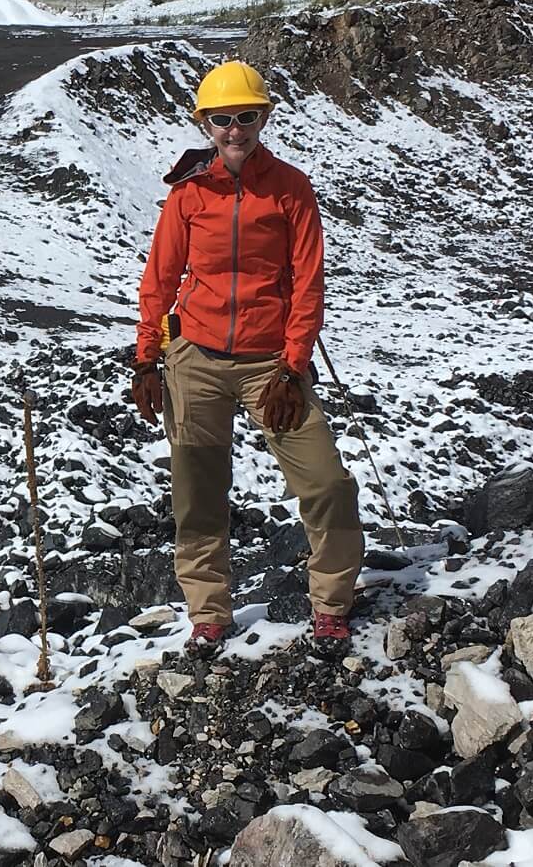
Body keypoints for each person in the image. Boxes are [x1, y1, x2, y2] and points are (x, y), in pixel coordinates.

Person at [130, 61, 363, 660]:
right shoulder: (187, 194)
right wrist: (147, 361)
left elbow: (308, 285)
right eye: (223, 119)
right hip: (196, 360)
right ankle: (209, 614)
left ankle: (331, 607)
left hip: (269, 365)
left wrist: (292, 366)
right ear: (206, 124)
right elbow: (160, 280)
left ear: (264, 118)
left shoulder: (290, 188)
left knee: (328, 483)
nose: (236, 129)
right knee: (198, 494)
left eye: (248, 116)